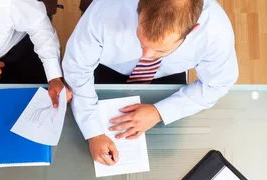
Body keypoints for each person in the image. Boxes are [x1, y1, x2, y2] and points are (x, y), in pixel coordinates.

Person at [62, 0, 238, 166]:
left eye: (160, 49)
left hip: (166, 75)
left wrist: (159, 112)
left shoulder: (215, 32)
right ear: (140, 8)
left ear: (192, 30)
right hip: (108, 67)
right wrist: (93, 132)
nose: (145, 55)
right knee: (76, 144)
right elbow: (77, 69)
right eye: (141, 40)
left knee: (164, 152)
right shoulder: (106, 9)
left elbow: (216, 84)